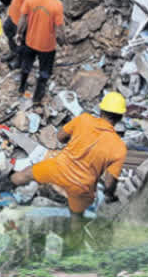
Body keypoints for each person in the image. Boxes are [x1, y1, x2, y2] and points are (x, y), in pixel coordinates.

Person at [7, 92, 129, 249]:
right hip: (81, 187)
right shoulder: (119, 148)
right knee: (77, 218)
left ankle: (6, 187)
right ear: (119, 118)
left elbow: (59, 137)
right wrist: (111, 195)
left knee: (26, 173)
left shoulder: (84, 120)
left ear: (101, 111)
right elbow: (109, 184)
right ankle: (71, 249)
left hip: (58, 168)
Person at [16, 0, 64, 106]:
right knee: (44, 73)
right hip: (47, 47)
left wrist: (19, 34)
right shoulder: (57, 5)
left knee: (26, 66)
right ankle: (37, 98)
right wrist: (62, 41)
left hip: (30, 41)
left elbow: (22, 19)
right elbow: (59, 29)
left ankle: (21, 87)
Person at [4, 0, 42, 68]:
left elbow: (26, 16)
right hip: (13, 16)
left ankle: (19, 61)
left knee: (20, 42)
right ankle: (13, 52)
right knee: (7, 30)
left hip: (20, 22)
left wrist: (20, 32)